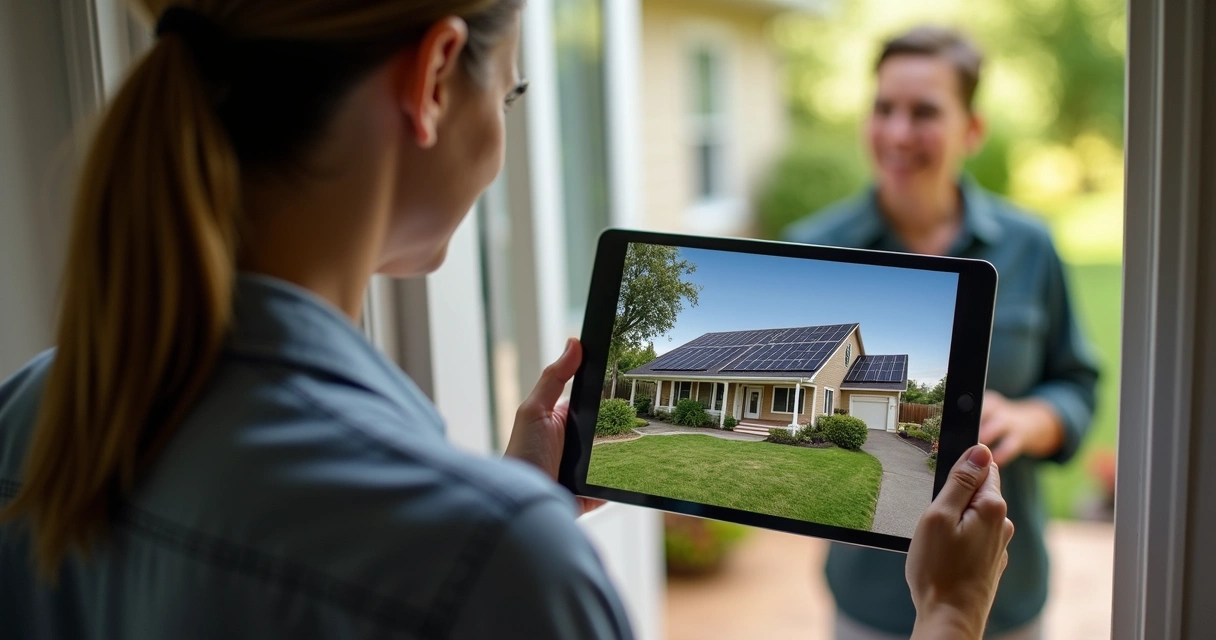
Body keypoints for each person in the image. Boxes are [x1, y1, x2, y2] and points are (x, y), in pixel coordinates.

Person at [0, 3, 1013, 638]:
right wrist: (952, 612)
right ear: (437, 74)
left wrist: (501, 501)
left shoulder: (33, 412)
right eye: (515, 88)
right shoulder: (498, 563)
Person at [784, 25, 1101, 640]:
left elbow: (1077, 384)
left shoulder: (1030, 246)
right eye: (884, 109)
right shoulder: (816, 246)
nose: (898, 133)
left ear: (971, 130)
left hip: (1003, 592)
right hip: (869, 600)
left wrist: (1032, 420)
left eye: (924, 112)